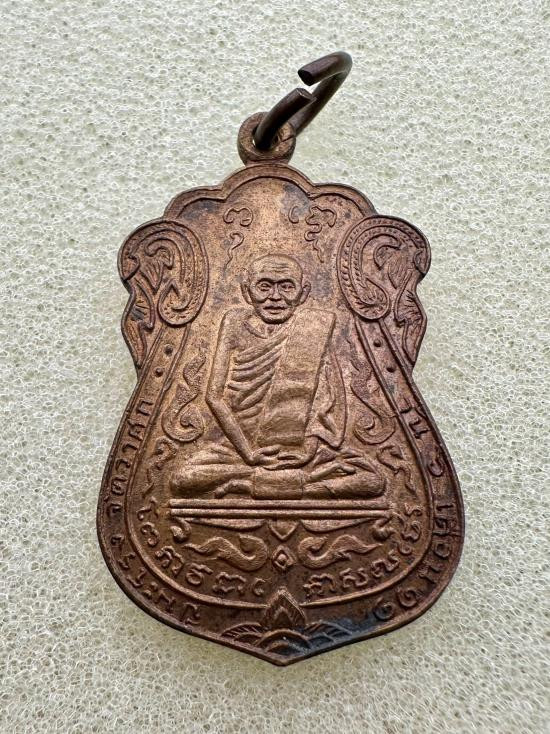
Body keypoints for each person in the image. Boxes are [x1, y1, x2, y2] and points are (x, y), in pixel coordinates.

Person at [171, 254, 385, 500]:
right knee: (182, 479)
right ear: (247, 291)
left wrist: (307, 452)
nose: (275, 297)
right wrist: (249, 454)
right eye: (264, 286)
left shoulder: (314, 327)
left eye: (286, 287)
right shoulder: (234, 322)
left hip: (301, 448)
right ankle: (295, 483)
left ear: (303, 293)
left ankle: (252, 484)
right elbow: (214, 396)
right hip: (239, 447)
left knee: (374, 480)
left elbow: (328, 401)